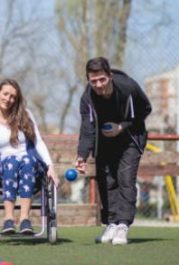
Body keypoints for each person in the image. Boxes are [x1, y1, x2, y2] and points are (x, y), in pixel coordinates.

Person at [0, 71, 59, 235]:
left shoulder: (25, 115)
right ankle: (8, 219)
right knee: (11, 161)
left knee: (26, 160)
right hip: (1, 168)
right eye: (5, 94)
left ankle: (25, 219)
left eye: (13, 97)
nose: (8, 99)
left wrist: (50, 166)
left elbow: (38, 141)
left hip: (30, 167)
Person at [75, 57, 151, 245]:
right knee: (106, 182)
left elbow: (146, 109)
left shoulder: (128, 88)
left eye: (102, 79)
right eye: (93, 81)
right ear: (88, 79)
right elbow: (87, 129)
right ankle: (111, 223)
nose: (98, 85)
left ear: (110, 76)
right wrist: (81, 156)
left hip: (130, 139)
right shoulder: (87, 99)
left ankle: (123, 226)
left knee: (125, 179)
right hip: (106, 142)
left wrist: (121, 127)